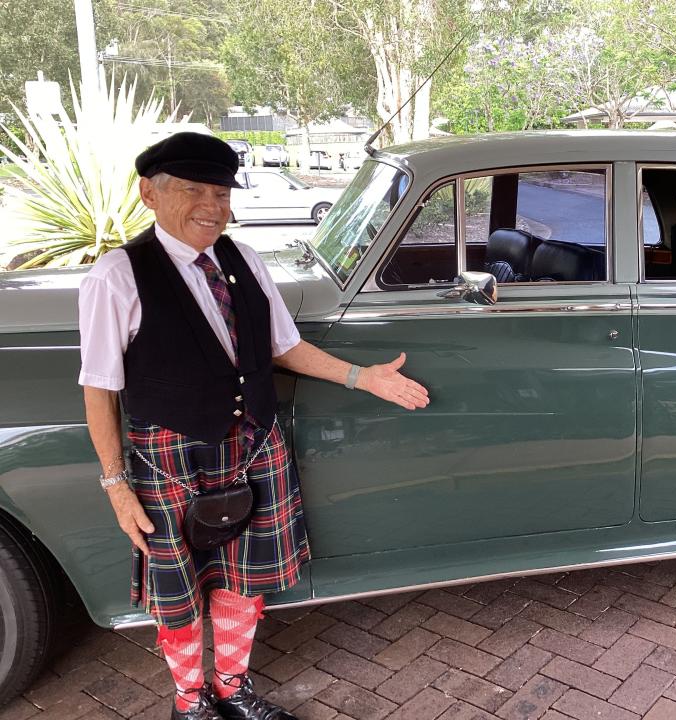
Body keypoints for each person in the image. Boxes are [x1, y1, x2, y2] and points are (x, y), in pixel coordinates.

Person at [78, 132, 430, 720]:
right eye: (193, 190)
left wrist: (360, 377)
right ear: (149, 193)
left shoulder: (242, 260)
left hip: (253, 443)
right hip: (170, 455)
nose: (212, 206)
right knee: (180, 590)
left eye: (220, 192)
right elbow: (99, 390)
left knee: (244, 577)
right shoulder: (116, 276)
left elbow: (283, 347)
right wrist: (116, 487)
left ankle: (232, 687)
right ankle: (190, 702)